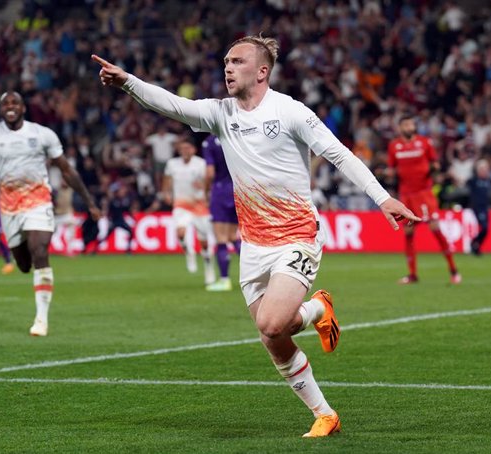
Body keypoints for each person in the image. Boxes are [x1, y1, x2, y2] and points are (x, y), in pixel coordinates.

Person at [92, 35, 419, 437]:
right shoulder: (219, 113)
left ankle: (316, 310)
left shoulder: (291, 111)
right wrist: (128, 82)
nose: (227, 68)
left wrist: (382, 198)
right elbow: (172, 105)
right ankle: (325, 412)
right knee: (273, 338)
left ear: (262, 71)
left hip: (298, 234)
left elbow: (339, 153)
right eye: (226, 61)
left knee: (270, 323)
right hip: (254, 243)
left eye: (237, 61)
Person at [0, 91, 101, 336]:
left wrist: (89, 202)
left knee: (39, 250)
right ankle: (33, 272)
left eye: (15, 103)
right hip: (9, 206)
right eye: (5, 104)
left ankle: (41, 320)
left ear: (23, 108)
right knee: (23, 264)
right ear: (1, 110)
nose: (10, 107)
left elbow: (67, 170)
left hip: (39, 200)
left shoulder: (42, 134)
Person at [387, 115, 461, 284]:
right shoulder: (394, 146)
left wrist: (435, 168)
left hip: (424, 194)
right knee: (408, 233)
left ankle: (453, 270)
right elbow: (392, 169)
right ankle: (412, 274)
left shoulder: (425, 142)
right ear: (400, 128)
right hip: (406, 195)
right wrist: (388, 173)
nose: (408, 127)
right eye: (405, 124)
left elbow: (435, 163)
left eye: (411, 124)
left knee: (435, 228)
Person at [162, 137, 216, 286]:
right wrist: (166, 193)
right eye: (182, 148)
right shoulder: (172, 164)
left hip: (199, 206)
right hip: (181, 204)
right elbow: (166, 179)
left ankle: (208, 267)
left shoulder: (201, 164)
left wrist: (205, 190)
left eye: (188, 148)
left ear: (193, 150)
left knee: (204, 243)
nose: (185, 151)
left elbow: (208, 182)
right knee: (180, 233)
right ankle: (189, 252)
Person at [203, 134, 240, 291]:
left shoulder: (210, 142)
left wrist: (206, 191)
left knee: (221, 238)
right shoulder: (236, 135)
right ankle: (259, 276)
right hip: (239, 189)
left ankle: (224, 280)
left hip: (220, 190)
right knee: (234, 237)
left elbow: (210, 172)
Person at [467, 159, 491, 256]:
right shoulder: (473, 181)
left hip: (485, 207)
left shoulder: (488, 181)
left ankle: (476, 246)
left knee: (486, 229)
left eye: (486, 169)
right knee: (485, 228)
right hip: (478, 207)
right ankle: (474, 243)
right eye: (483, 169)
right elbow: (463, 182)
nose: (485, 171)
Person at [102, 182, 135, 254]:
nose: (122, 192)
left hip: (121, 221)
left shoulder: (123, 201)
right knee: (105, 236)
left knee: (131, 232)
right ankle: (95, 249)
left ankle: (128, 250)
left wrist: (132, 216)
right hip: (114, 221)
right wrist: (109, 220)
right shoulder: (113, 201)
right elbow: (108, 213)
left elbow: (127, 210)